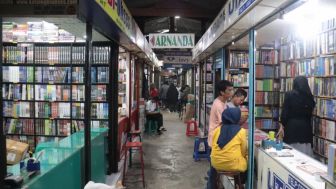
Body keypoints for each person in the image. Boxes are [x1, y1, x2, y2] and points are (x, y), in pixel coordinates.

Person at [210, 108, 247, 188]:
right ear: (237, 118)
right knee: (246, 160)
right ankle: (240, 184)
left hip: (216, 163)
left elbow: (214, 146)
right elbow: (243, 151)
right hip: (232, 165)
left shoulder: (217, 130)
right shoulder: (241, 131)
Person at [277, 76, 315, 156]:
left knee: (291, 154)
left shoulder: (290, 94)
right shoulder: (310, 97)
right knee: (305, 155)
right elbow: (310, 113)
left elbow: (285, 112)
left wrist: (282, 124)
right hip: (306, 129)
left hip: (292, 128)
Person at [207, 80, 234, 189]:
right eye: (229, 90)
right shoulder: (218, 105)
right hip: (215, 140)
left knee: (214, 171)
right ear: (222, 92)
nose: (232, 92)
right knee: (213, 173)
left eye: (232, 89)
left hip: (218, 139)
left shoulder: (223, 102)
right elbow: (225, 122)